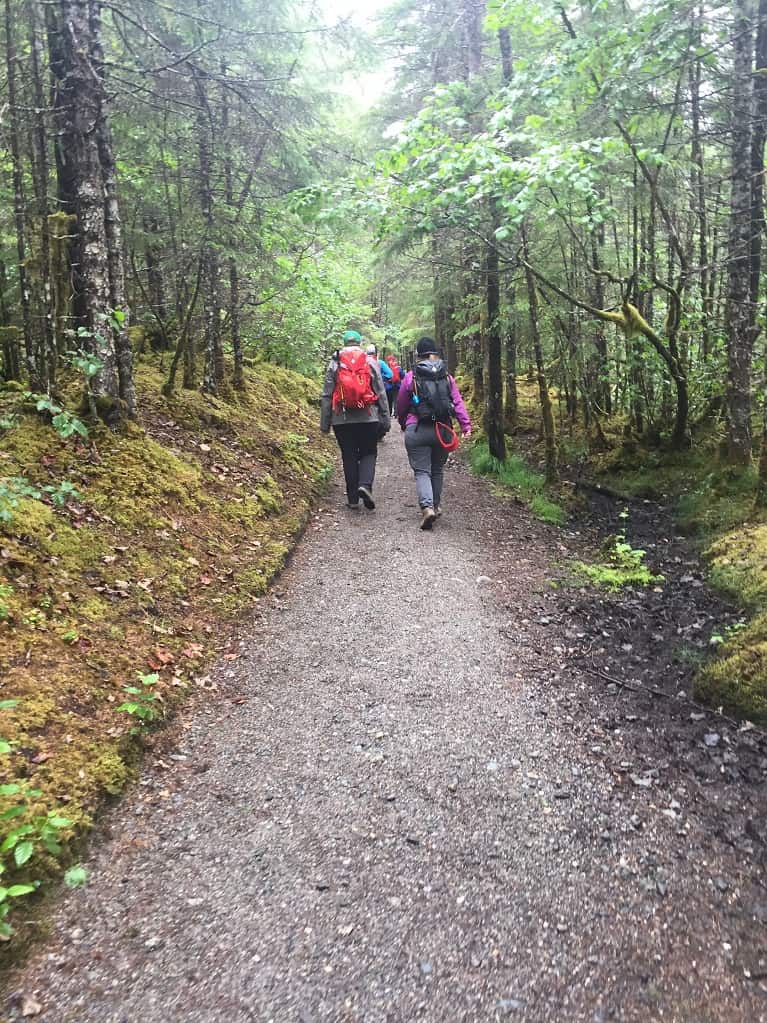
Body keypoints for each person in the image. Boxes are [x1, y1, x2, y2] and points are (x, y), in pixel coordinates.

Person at [396, 336, 471, 530]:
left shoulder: (411, 376)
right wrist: (465, 426)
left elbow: (401, 405)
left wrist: (404, 423)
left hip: (418, 429)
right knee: (437, 470)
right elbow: (458, 402)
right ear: (435, 353)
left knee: (422, 471)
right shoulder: (446, 376)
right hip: (442, 430)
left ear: (418, 355)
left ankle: (427, 507)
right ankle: (435, 506)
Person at [321, 330, 390, 510]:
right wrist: (385, 417)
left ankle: (352, 499)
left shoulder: (335, 362)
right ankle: (365, 485)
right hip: (368, 416)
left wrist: (325, 423)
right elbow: (380, 391)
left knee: (348, 455)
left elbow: (327, 394)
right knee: (369, 452)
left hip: (341, 418)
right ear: (359, 343)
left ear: (344, 342)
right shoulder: (369, 361)